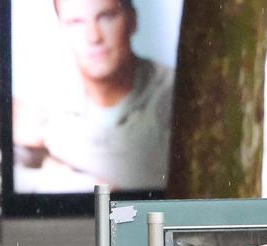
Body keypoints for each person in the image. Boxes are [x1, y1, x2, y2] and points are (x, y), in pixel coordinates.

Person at [13, 0, 175, 191]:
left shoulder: (175, 93)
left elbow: (145, 176)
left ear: (133, 21)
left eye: (106, 17)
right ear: (61, 30)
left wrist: (53, 148)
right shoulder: (42, 97)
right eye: (76, 22)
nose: (93, 36)